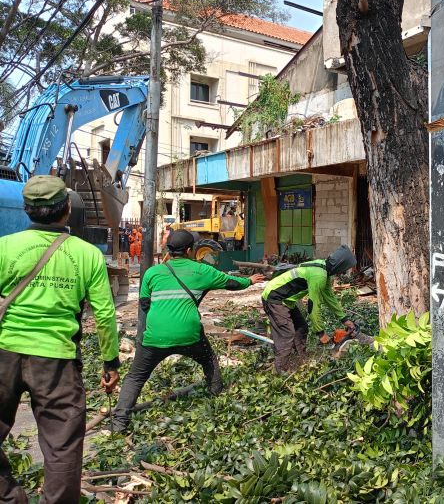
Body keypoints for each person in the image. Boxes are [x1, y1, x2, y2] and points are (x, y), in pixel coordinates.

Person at [0, 175, 120, 503]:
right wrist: (111, 362)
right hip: (57, 362)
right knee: (62, 447)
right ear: (67, 209)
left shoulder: (4, 247)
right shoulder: (87, 254)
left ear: (27, 210)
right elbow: (105, 315)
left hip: (4, 353)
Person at [111, 230, 264, 432]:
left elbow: (145, 304)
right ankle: (216, 399)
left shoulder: (152, 273)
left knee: (135, 377)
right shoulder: (202, 271)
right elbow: (232, 283)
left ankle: (119, 423)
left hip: (155, 335)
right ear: (190, 250)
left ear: (168, 250)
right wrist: (250, 280)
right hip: (189, 334)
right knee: (209, 360)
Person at [261, 245, 357, 374]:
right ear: (339, 265)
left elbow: (330, 298)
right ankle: (281, 371)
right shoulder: (319, 276)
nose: (342, 272)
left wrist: (344, 320)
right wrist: (321, 333)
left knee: (301, 327)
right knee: (287, 333)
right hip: (275, 298)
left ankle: (300, 360)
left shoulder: (323, 268)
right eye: (343, 269)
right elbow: (313, 307)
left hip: (286, 300)